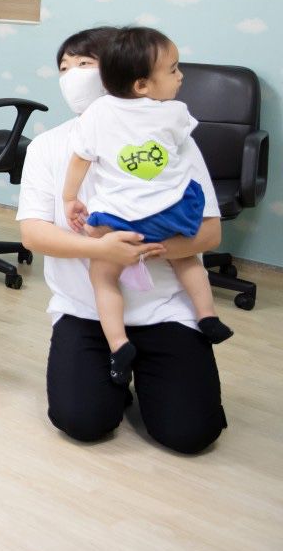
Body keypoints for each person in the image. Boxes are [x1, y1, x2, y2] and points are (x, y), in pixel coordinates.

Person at [18, 26, 227, 454]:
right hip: (85, 310)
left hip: (164, 309)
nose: (72, 76)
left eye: (84, 64)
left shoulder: (171, 136)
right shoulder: (48, 146)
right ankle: (116, 373)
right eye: (64, 67)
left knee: (190, 434)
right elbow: (33, 233)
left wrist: (150, 251)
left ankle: (158, 371)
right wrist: (102, 249)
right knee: (82, 421)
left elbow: (210, 231)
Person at [61, 27, 233, 386]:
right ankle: (207, 315)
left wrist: (69, 198)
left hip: (118, 217)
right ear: (141, 85)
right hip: (171, 209)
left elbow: (80, 159)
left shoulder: (97, 113)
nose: (181, 76)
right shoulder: (176, 113)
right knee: (187, 260)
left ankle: (118, 343)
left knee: (102, 275)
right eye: (173, 70)